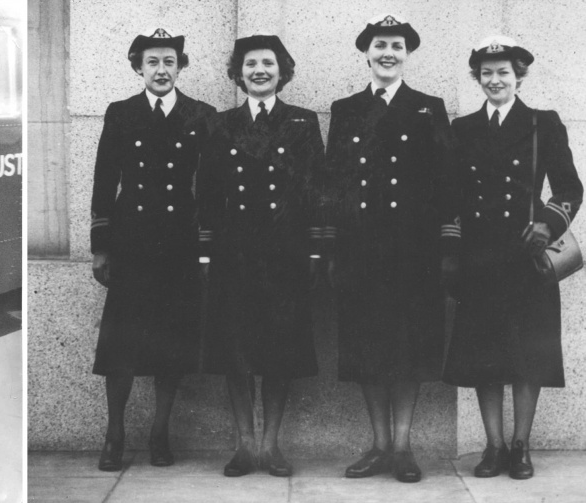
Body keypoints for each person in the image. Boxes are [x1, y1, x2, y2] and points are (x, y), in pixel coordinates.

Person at [323, 13, 456, 482]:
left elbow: (446, 182)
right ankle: (378, 445)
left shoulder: (428, 107)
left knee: (408, 350)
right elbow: (334, 182)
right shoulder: (346, 109)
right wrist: (334, 249)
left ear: (407, 54)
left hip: (412, 254)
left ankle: (402, 447)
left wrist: (445, 246)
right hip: (361, 251)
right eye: (380, 44)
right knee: (367, 349)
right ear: (366, 52)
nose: (388, 53)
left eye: (397, 46)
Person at [442, 36, 583, 480]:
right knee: (485, 357)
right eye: (486, 73)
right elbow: (449, 195)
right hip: (479, 258)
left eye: (503, 72)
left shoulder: (543, 123)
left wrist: (547, 222)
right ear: (477, 78)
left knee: (527, 357)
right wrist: (451, 249)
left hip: (528, 258)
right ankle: (494, 446)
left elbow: (569, 187)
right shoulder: (462, 129)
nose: (495, 80)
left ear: (518, 76)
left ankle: (521, 446)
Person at [197, 34, 325, 478]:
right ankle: (244, 445)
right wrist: (207, 253)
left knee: (279, 353)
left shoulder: (303, 122)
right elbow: (208, 194)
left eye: (268, 63)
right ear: (238, 73)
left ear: (282, 71)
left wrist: (314, 249)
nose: (259, 71)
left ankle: (271, 446)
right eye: (250, 64)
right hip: (235, 255)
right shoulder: (220, 124)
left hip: (285, 254)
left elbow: (317, 191)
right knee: (237, 353)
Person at [89, 28, 215, 471]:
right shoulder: (120, 113)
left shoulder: (201, 114)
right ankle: (115, 433)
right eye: (152, 62)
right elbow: (105, 180)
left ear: (180, 67)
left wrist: (204, 250)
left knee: (172, 346)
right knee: (121, 347)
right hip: (131, 245)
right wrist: (101, 247)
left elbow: (211, 188)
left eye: (169, 62)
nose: (161, 70)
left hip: (179, 245)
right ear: (138, 67)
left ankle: (160, 433)